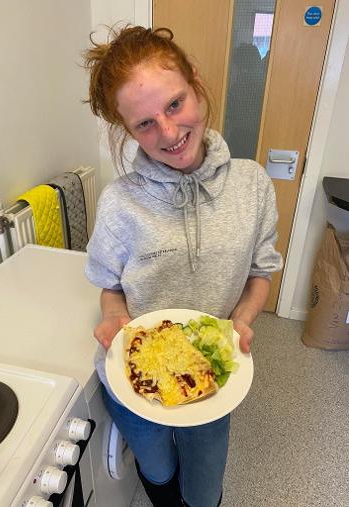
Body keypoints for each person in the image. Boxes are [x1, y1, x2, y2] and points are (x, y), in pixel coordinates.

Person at [83, 25, 282, 507]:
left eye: (175, 104)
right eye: (144, 124)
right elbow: (110, 285)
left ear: (195, 82)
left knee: (205, 481)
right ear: (126, 131)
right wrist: (113, 315)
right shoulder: (120, 204)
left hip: (211, 377)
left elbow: (260, 273)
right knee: (155, 466)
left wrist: (243, 321)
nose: (169, 133)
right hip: (135, 377)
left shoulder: (252, 186)